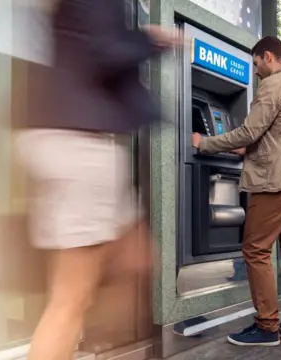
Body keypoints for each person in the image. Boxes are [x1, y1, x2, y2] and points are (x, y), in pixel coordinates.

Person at [13, 1, 181, 359]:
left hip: (81, 142)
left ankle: (87, 349)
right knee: (70, 299)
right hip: (79, 144)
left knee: (137, 257)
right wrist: (149, 39)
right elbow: (103, 49)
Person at [191, 36, 281, 346]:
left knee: (256, 249)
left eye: (256, 63)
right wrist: (247, 151)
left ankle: (267, 325)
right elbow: (276, 136)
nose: (255, 71)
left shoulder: (272, 85)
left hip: (274, 182)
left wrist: (204, 143)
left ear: (269, 56)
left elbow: (249, 131)